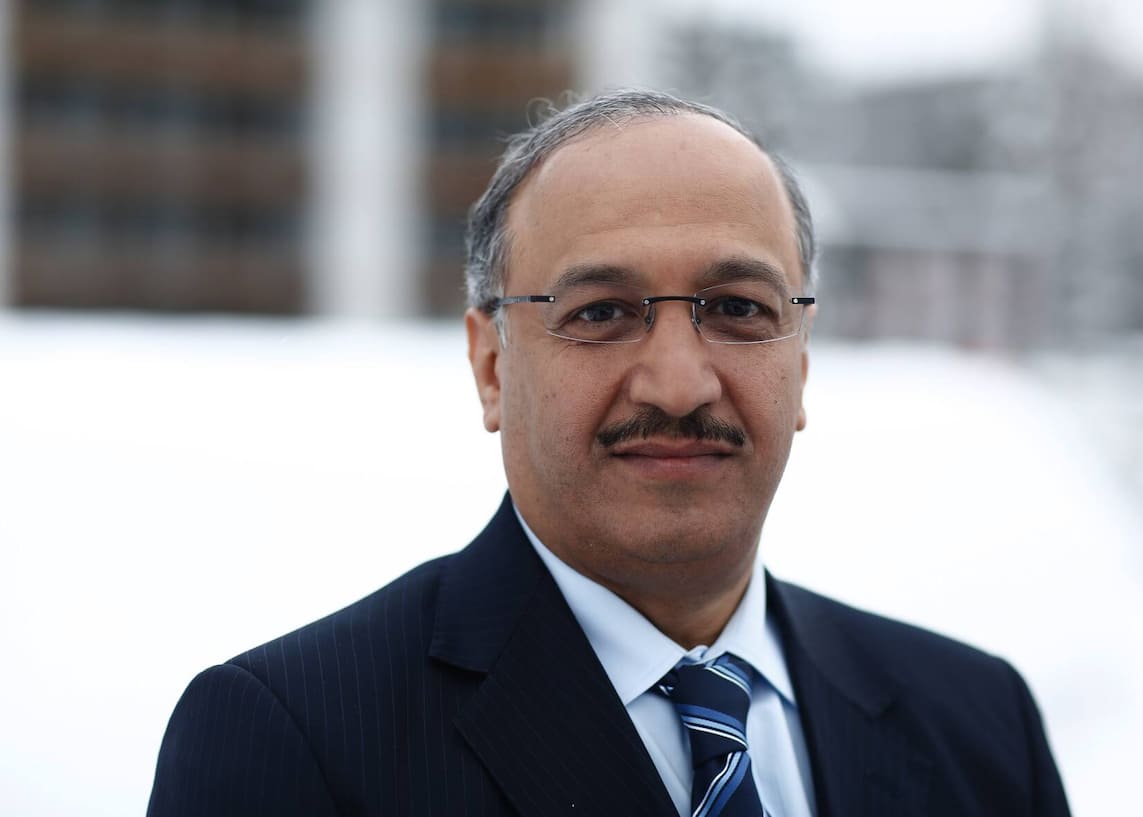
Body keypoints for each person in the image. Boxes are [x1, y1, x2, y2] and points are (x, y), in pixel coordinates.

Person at [147, 90, 1072, 817]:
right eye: (600, 313)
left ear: (801, 357)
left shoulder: (977, 719)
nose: (678, 383)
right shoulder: (295, 739)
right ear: (489, 367)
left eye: (739, 308)